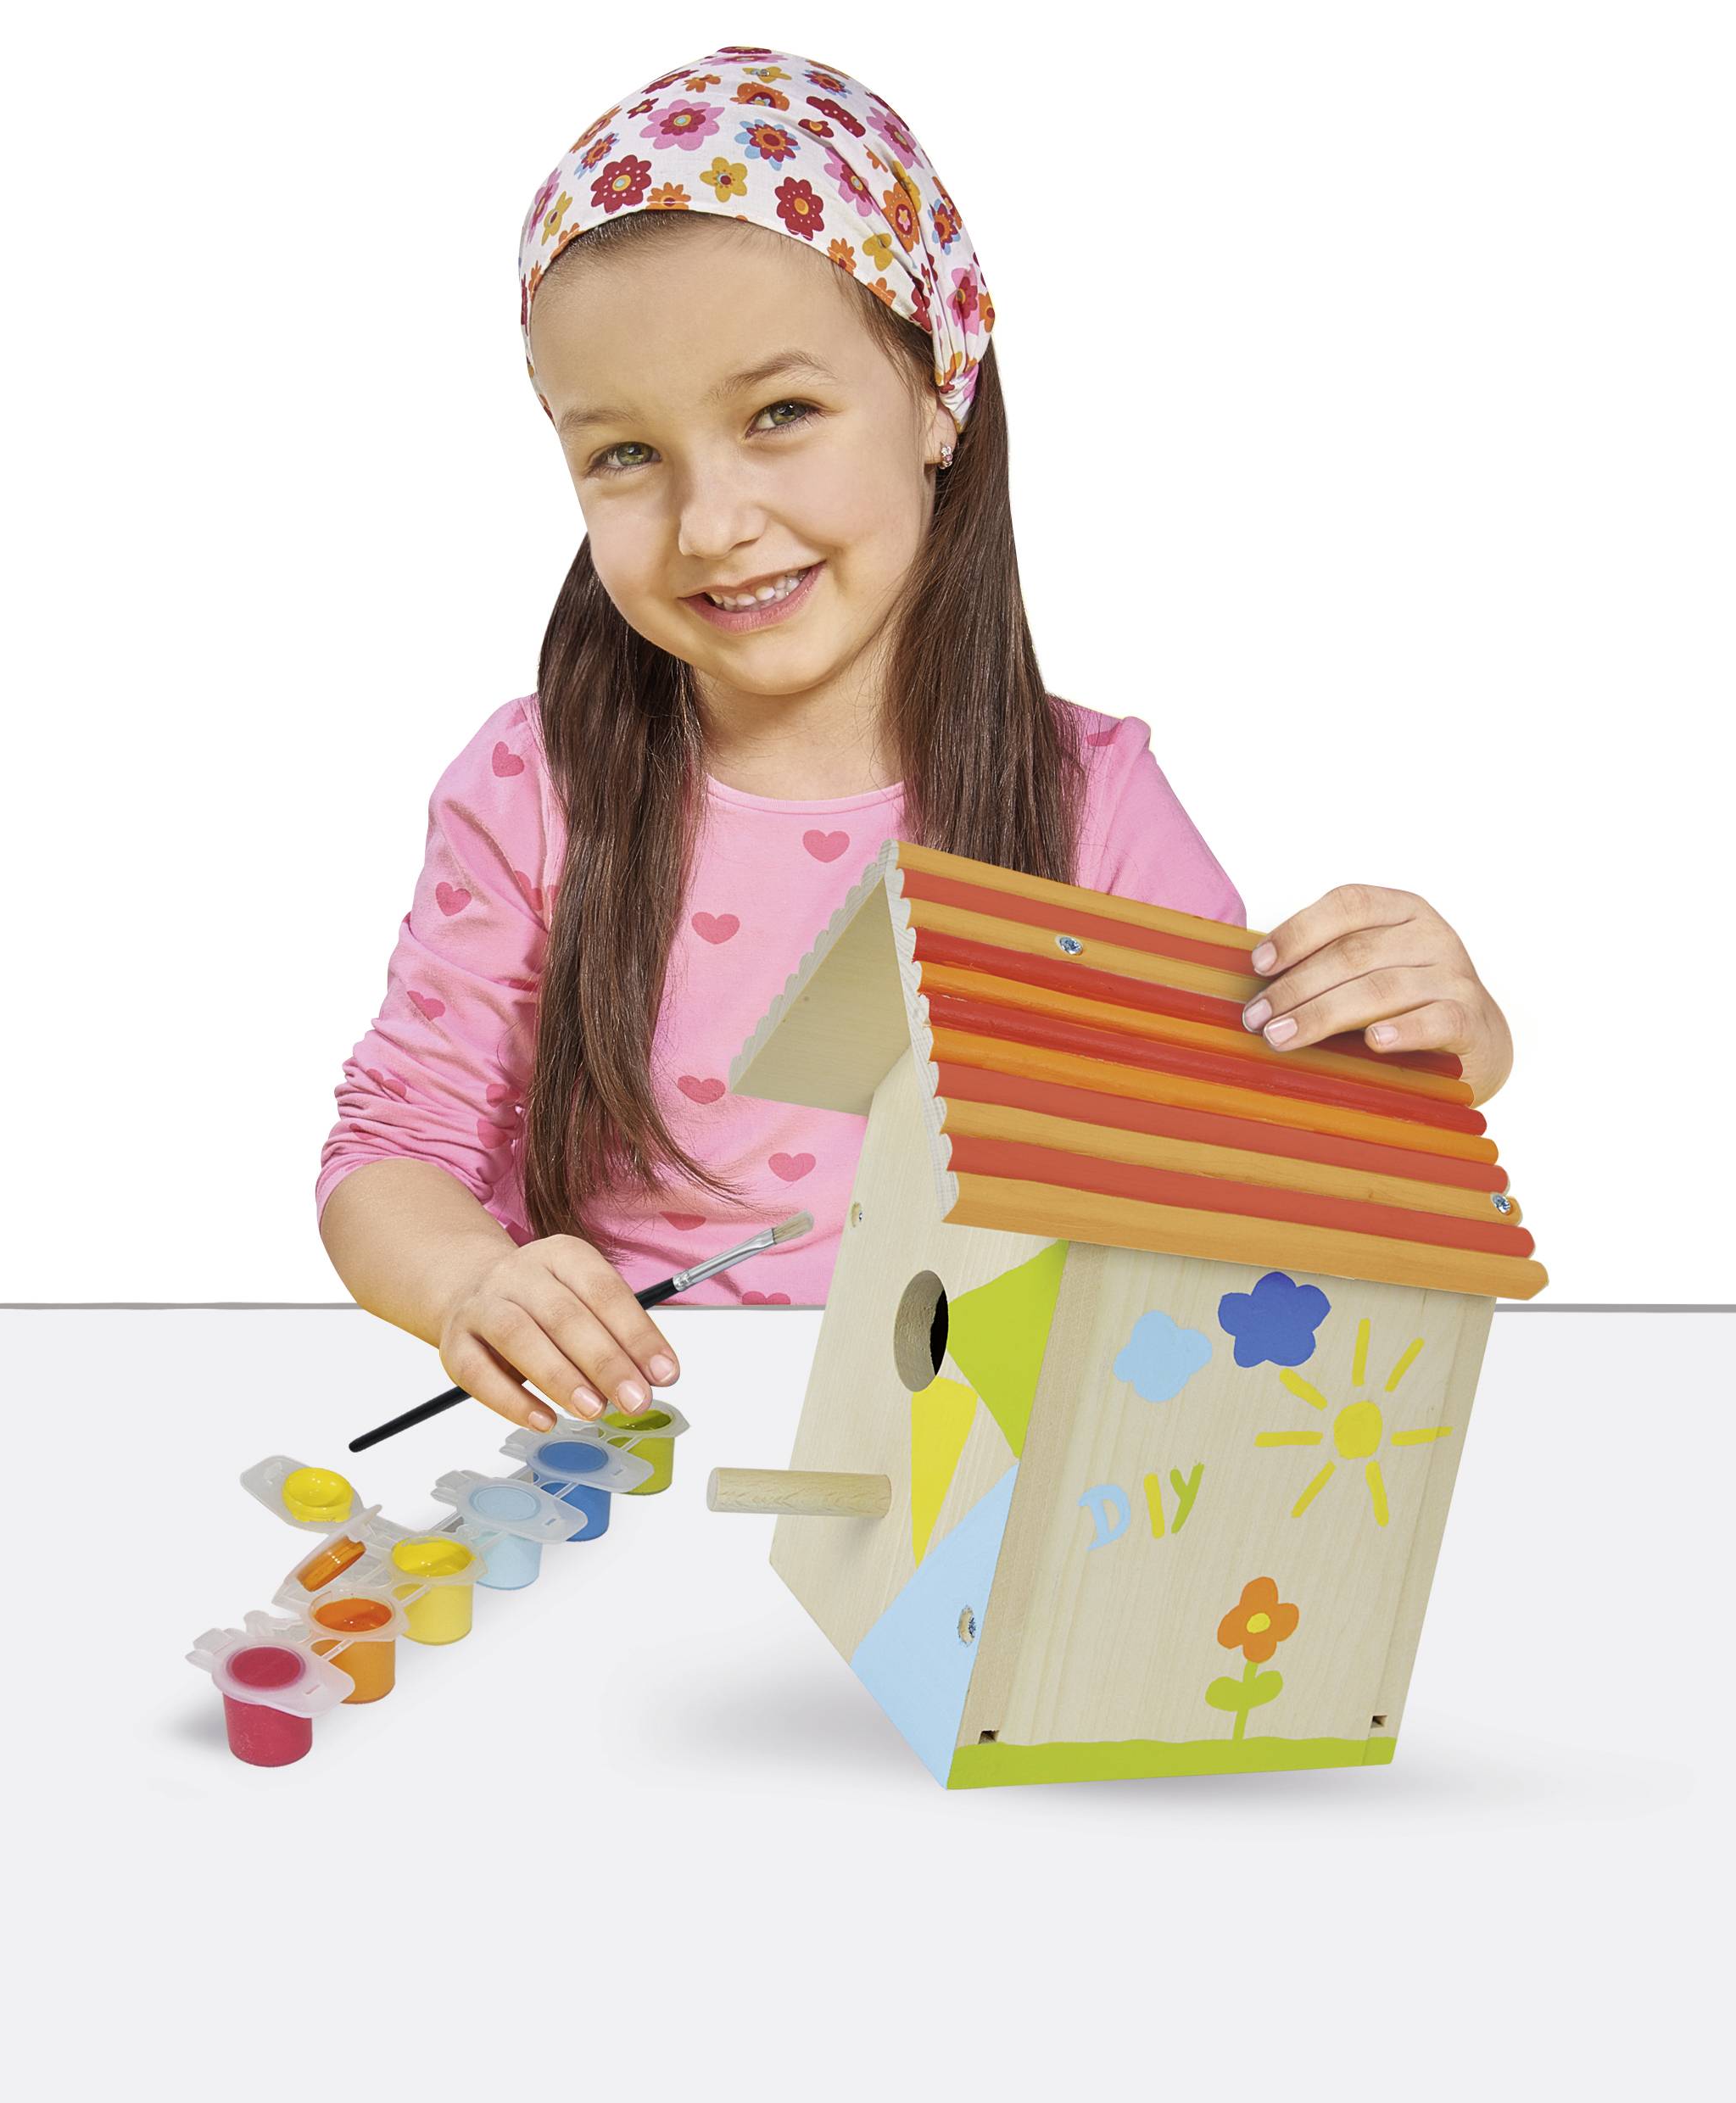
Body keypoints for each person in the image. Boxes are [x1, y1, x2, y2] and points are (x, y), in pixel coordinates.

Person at [315, 42, 1516, 1436]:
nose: (711, 524)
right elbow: (392, 1147)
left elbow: (1252, 1168)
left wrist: (1440, 1056)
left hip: (987, 1468)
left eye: (781, 413)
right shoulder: (535, 785)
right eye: (624, 454)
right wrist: (470, 1279)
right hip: (638, 1449)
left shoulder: (1089, 803)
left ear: (938, 390)